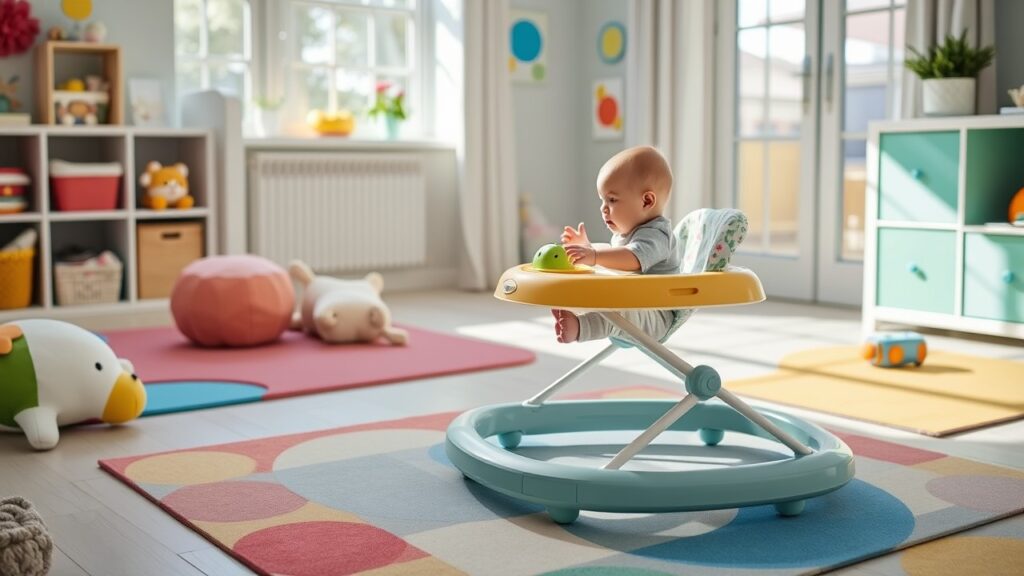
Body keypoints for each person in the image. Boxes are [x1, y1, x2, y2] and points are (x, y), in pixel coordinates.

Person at [553, 145, 681, 343]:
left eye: (612, 200)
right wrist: (589, 249)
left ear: (646, 201)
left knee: (616, 315)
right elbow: (614, 253)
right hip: (632, 304)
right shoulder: (629, 233)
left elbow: (633, 258)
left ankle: (579, 328)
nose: (604, 209)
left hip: (655, 315)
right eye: (602, 200)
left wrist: (594, 256)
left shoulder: (657, 235)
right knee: (600, 297)